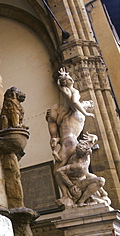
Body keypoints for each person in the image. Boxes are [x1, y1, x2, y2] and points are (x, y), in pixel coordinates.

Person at [46, 67, 95, 204]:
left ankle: (70, 195)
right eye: (88, 104)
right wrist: (86, 113)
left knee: (61, 170)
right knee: (66, 170)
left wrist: (54, 139)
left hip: (69, 141)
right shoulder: (75, 106)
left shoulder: (65, 110)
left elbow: (53, 121)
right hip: (69, 141)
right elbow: (74, 101)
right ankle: (69, 195)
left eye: (89, 105)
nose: (88, 105)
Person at [56, 134, 111, 206]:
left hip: (84, 177)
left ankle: (99, 195)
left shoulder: (86, 150)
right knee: (100, 180)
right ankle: (81, 201)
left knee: (94, 177)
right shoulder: (77, 165)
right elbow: (59, 171)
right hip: (78, 183)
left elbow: (92, 141)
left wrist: (94, 137)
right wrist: (71, 185)